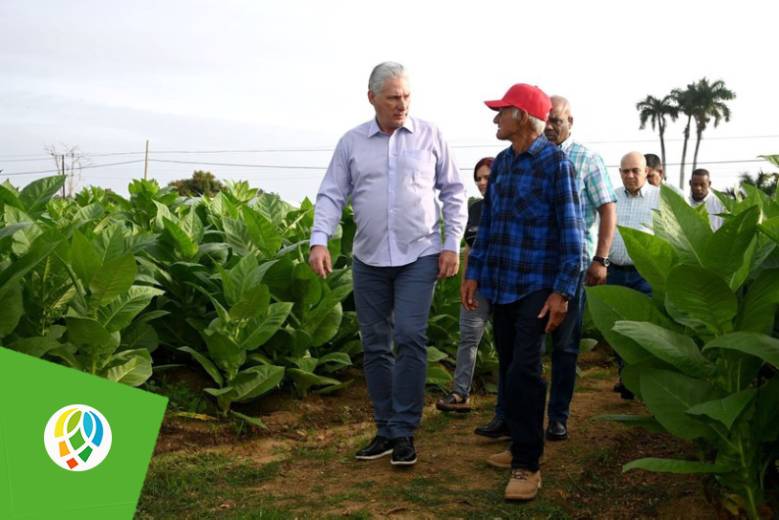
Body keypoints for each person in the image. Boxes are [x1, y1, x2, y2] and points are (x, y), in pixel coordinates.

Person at [309, 62, 467, 467]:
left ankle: (405, 431)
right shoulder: (351, 143)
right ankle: (385, 428)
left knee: (411, 336)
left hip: (420, 253)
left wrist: (451, 244)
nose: (402, 104)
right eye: (394, 97)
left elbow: (453, 191)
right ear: (372, 98)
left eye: (407, 96)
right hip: (369, 257)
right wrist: (319, 241)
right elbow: (331, 194)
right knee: (374, 343)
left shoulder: (430, 136)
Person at [462, 83, 583, 501]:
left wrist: (562, 292)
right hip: (502, 282)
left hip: (538, 285)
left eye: (502, 112)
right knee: (510, 362)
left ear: (524, 118)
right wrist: (473, 273)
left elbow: (572, 235)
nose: (496, 119)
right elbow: (490, 226)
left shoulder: (556, 166)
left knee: (525, 372)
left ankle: (527, 465)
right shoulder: (503, 163)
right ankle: (519, 442)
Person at [541, 95, 616, 442]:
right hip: (535, 266)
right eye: (545, 120)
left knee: (565, 346)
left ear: (571, 122)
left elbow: (606, 210)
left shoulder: (587, 159)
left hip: (573, 267)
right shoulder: (533, 156)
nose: (550, 126)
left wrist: (600, 260)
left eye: (556, 120)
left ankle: (558, 416)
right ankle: (510, 415)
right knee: (524, 343)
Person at [435, 157, 495, 414]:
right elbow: (469, 249)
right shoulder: (476, 209)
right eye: (478, 179)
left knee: (510, 342)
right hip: (477, 285)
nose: (482, 183)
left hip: (506, 286)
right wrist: (464, 284)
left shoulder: (511, 206)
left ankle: (510, 399)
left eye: (487, 177)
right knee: (468, 339)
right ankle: (460, 394)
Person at [607, 151, 660, 399]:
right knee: (618, 328)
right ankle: (626, 376)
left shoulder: (662, 198)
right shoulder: (611, 197)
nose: (630, 175)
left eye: (635, 170)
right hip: (616, 272)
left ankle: (648, 380)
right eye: (625, 171)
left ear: (647, 171)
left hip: (646, 274)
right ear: (619, 172)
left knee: (647, 328)